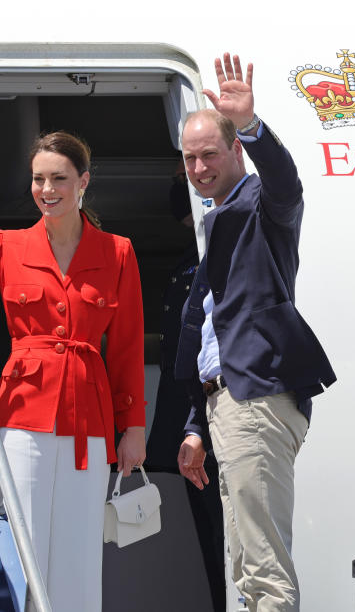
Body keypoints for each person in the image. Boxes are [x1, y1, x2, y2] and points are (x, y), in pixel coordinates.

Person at [0, 132, 146, 612]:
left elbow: (126, 347)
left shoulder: (117, 252)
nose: (47, 189)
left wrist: (133, 426)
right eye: (39, 179)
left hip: (90, 424)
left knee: (78, 558)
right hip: (22, 417)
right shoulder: (7, 246)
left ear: (83, 182)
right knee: (23, 551)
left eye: (59, 178)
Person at [175, 53, 337, 611]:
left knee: (264, 567)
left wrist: (251, 124)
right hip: (228, 404)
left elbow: (287, 184)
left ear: (235, 152)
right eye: (190, 159)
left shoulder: (261, 205)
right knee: (245, 563)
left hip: (258, 397)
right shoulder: (218, 218)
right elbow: (213, 342)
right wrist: (198, 424)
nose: (199, 168)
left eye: (210, 154)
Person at [144, 163, 225, 611]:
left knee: (224, 536)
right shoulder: (184, 269)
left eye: (187, 184)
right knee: (206, 540)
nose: (183, 190)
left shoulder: (220, 263)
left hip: (216, 424)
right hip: (186, 427)